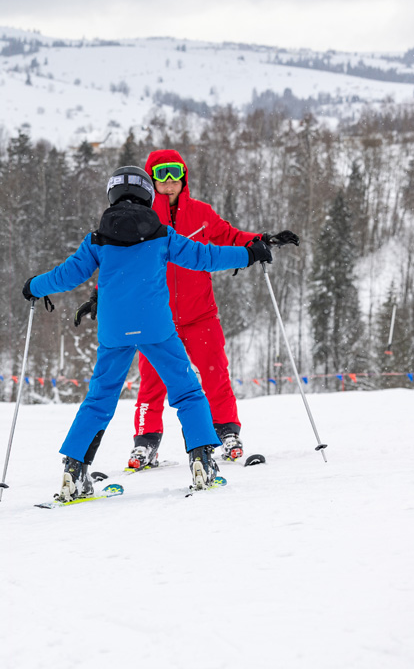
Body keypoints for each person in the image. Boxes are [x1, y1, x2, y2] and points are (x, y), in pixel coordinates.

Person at [24, 165, 272, 500]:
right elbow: (205, 257)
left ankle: (74, 470)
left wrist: (34, 287)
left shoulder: (97, 239)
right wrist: (249, 253)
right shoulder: (161, 233)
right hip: (156, 325)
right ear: (147, 194)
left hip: (113, 330)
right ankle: (201, 461)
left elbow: (66, 276)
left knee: (99, 399)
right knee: (186, 391)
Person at [123, 149, 299, 468]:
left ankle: (227, 432)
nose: (168, 182)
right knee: (152, 382)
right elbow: (120, 263)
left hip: (199, 315)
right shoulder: (140, 219)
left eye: (174, 173)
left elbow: (230, 237)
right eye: (160, 175)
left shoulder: (201, 213)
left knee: (216, 374)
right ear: (151, 180)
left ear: (183, 176)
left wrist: (264, 240)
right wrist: (100, 297)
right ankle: (146, 442)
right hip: (156, 319)